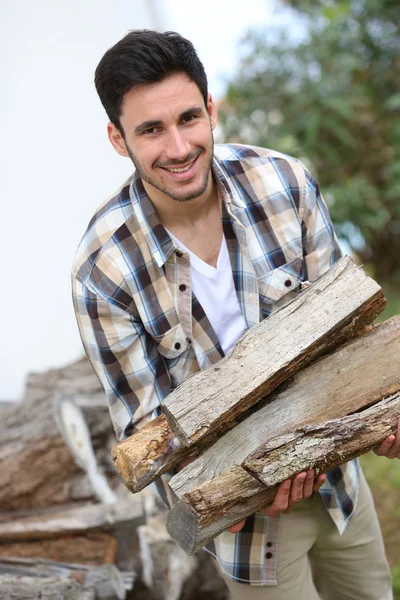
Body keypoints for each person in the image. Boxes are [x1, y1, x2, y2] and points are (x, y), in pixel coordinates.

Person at [71, 29, 399, 599]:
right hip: (246, 526)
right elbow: (144, 436)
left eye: (188, 119)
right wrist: (248, 485)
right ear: (117, 139)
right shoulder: (102, 272)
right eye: (151, 129)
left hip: (342, 487)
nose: (177, 148)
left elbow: (352, 332)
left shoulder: (284, 183)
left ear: (211, 109)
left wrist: (387, 411)